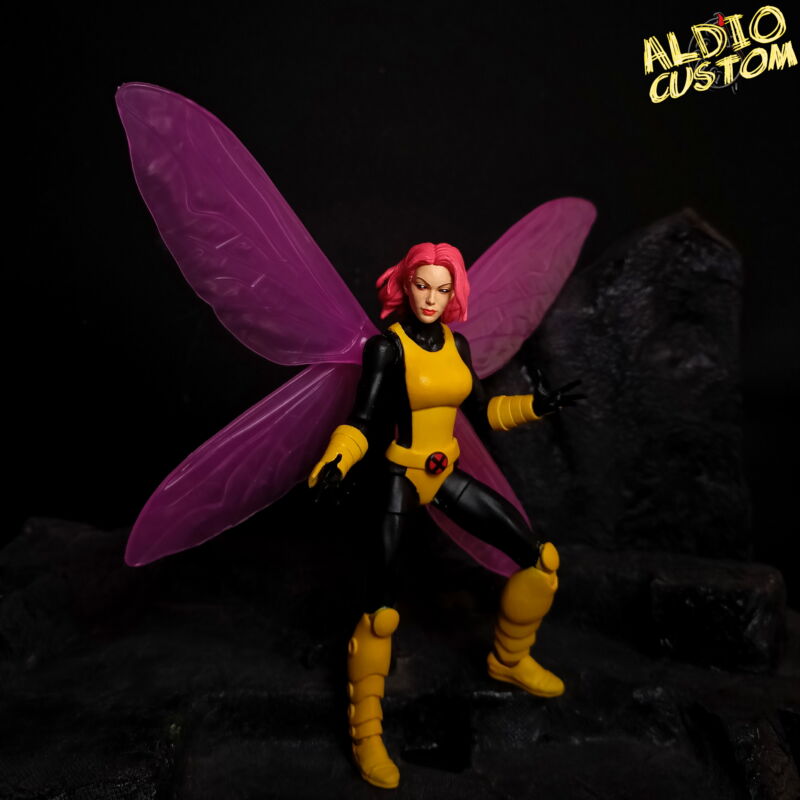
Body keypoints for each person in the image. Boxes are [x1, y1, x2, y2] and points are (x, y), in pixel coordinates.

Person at [308, 242, 583, 789]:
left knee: (541, 559)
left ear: (455, 292)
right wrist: (335, 460)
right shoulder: (388, 348)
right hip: (400, 476)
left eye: (442, 288)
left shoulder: (457, 344)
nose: (431, 298)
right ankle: (366, 733)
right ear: (403, 286)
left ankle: (510, 658)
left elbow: (482, 411)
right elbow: (361, 420)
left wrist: (535, 406)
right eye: (421, 286)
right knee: (381, 613)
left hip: (446, 474)